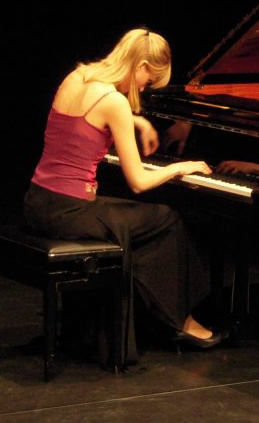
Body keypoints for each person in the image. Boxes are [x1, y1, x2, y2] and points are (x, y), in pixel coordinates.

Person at [23, 27, 223, 368]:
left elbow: (87, 115)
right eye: (148, 80)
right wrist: (179, 167)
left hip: (38, 203)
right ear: (140, 65)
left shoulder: (77, 76)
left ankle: (128, 319)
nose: (144, 88)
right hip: (72, 212)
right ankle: (181, 321)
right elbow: (139, 182)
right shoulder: (114, 101)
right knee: (167, 220)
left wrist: (137, 122)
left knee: (133, 226)